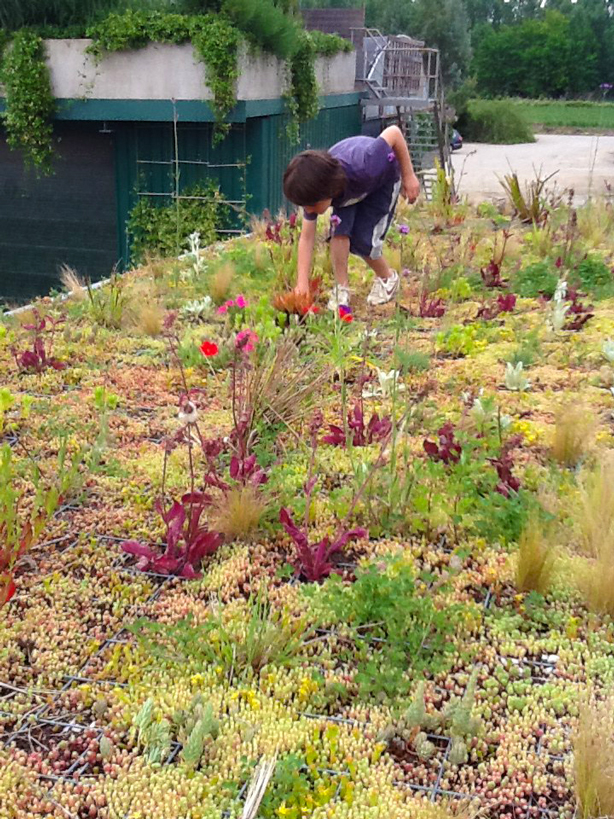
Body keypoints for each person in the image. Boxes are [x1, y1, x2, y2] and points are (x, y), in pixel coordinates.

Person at [282, 125, 420, 310]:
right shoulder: (316, 191)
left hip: (381, 182)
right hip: (346, 189)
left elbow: (394, 132)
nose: (309, 210)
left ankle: (388, 279)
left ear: (326, 191)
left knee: (364, 240)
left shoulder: (368, 164)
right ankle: (342, 288)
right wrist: (302, 284)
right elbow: (306, 238)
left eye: (311, 205)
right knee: (339, 233)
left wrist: (408, 175)